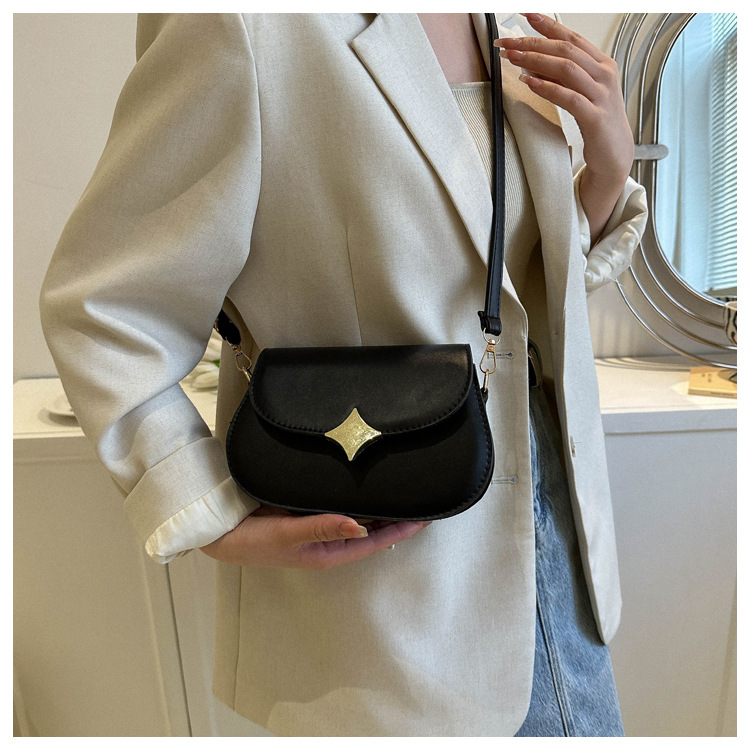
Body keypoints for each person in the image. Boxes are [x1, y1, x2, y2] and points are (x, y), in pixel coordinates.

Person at [40, 13, 648, 737]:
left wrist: (606, 173)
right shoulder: (245, 24)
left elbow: (512, 288)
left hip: (561, 543)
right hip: (392, 583)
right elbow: (102, 308)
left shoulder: (505, 22)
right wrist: (205, 510)